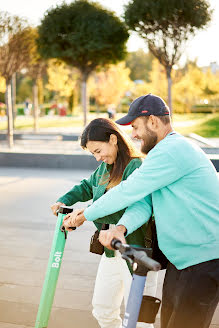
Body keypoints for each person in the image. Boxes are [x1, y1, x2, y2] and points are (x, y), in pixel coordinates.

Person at [70, 94, 219, 328]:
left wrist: (84, 214)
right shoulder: (161, 155)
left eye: (136, 127)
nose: (134, 134)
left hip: (203, 259)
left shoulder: (172, 150)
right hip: (182, 261)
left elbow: (128, 190)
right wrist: (121, 228)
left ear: (153, 121)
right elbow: (142, 202)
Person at [50, 118, 158, 328]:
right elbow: (86, 186)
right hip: (111, 251)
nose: (98, 157)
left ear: (113, 139)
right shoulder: (104, 169)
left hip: (136, 251)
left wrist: (86, 215)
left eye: (99, 150)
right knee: (103, 310)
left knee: (139, 320)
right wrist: (64, 200)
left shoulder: (135, 166)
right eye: (93, 154)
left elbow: (127, 208)